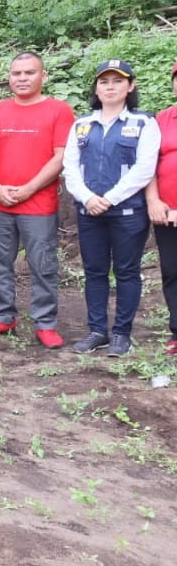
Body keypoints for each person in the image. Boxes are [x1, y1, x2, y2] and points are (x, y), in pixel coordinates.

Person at [0, 52, 75, 348]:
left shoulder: (59, 111)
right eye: (16, 73)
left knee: (42, 264)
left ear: (42, 76)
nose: (22, 78)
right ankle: (3, 316)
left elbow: (60, 157)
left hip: (39, 204)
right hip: (0, 202)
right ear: (9, 77)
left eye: (29, 73)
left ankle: (45, 322)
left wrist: (29, 188)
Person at [64, 60, 158, 357]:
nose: (110, 87)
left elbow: (144, 169)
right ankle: (97, 331)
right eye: (104, 81)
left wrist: (111, 198)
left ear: (130, 86)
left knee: (127, 272)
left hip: (128, 213)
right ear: (96, 88)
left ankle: (121, 333)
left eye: (118, 81)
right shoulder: (81, 124)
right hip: (89, 211)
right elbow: (70, 167)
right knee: (94, 271)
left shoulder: (144, 123)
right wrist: (88, 198)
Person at [146, 59, 177, 356]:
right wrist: (154, 200)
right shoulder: (163, 119)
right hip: (166, 212)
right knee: (171, 270)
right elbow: (149, 165)